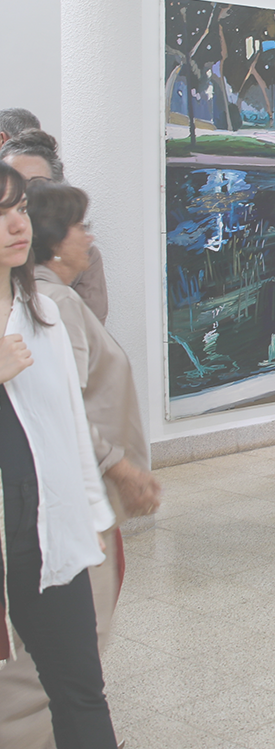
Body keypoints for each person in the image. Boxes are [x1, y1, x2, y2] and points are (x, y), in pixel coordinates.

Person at [0, 182, 161, 747]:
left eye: (21, 210)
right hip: (13, 527)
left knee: (81, 689)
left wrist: (91, 510)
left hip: (53, 526)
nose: (16, 225)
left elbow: (65, 419)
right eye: (0, 214)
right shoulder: (52, 306)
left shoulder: (41, 309)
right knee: (31, 677)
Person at [1, 130, 108, 324]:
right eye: (15, 185)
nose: (23, 195)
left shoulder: (81, 252)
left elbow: (89, 329)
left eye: (36, 185)